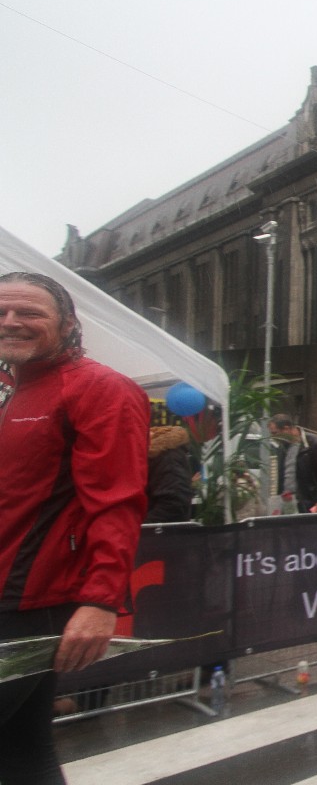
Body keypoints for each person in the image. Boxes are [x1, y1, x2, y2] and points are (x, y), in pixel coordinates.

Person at [0, 271, 150, 784]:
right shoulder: (11, 387)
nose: (11, 322)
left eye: (29, 312)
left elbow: (117, 503)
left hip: (30, 605)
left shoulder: (100, 388)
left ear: (67, 323)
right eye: (1, 312)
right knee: (22, 748)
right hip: (11, 597)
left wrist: (101, 602)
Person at [268, 414, 317, 513]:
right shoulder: (282, 448)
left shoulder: (314, 443)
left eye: (275, 433)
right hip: (290, 502)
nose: (273, 437)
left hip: (312, 502)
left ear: (286, 429)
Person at [145, 424, 196, 523]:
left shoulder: (167, 457)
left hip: (162, 530)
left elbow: (174, 504)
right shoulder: (164, 455)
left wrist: (140, 527)